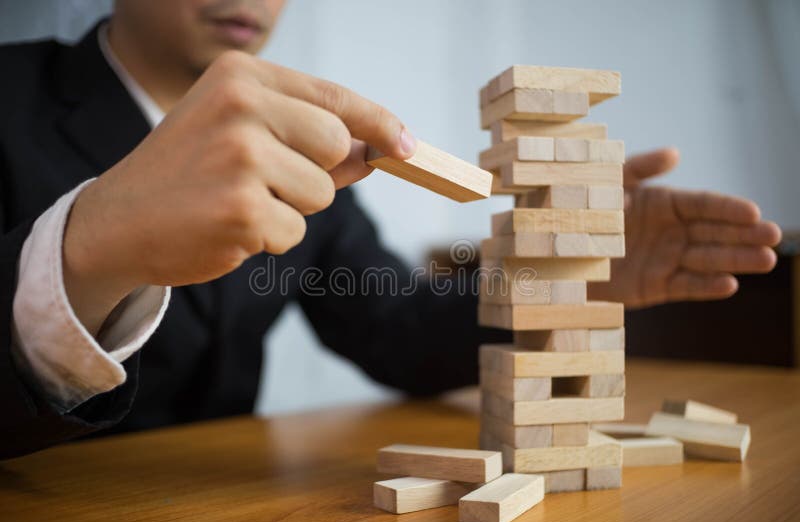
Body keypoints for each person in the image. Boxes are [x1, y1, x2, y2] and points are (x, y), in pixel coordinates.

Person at [0, 0, 781, 459]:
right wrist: (86, 248)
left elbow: (394, 326)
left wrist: (558, 277)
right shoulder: (11, 94)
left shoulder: (304, 148)